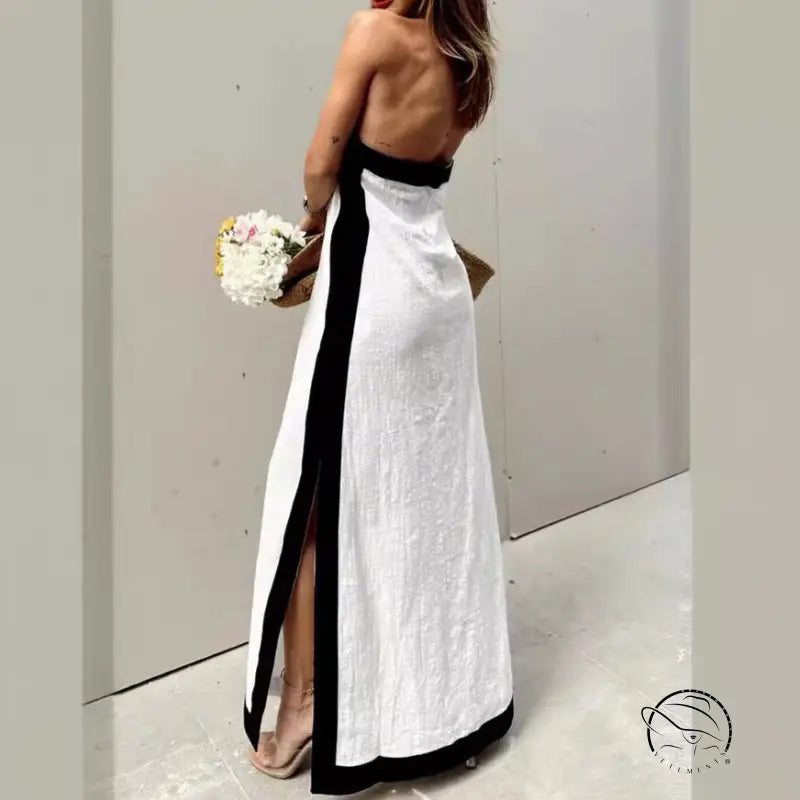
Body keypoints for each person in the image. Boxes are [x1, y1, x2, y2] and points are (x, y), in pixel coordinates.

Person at [243, 0, 513, 794]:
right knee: (427, 504)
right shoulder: (471, 52)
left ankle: (303, 709)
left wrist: (307, 221)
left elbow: (322, 162)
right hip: (436, 291)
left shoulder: (375, 35)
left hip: (371, 296)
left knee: (314, 497)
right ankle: (446, 709)